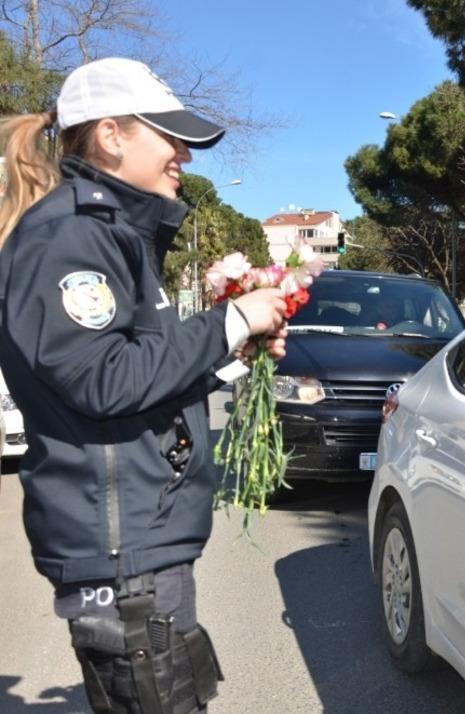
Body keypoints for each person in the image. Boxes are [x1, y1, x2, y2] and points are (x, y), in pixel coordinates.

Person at [0, 57, 288, 713]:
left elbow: (143, 372)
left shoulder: (114, 234)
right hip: (121, 558)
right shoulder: (74, 235)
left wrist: (232, 350)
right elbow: (101, 380)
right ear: (111, 135)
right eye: (167, 134)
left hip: (137, 548)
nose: (183, 152)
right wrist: (233, 316)